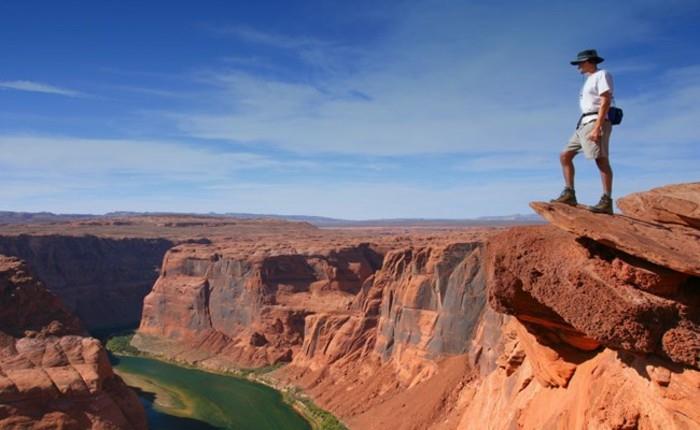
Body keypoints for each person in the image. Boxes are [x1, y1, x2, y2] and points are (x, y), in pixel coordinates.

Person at [551, 49, 615, 214]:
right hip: (584, 123)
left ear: (589, 61)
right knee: (565, 155)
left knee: (601, 159)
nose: (578, 66)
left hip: (595, 121)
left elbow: (606, 99)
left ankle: (607, 200)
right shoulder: (589, 79)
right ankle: (569, 193)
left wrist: (598, 126)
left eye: (580, 63)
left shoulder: (602, 74)